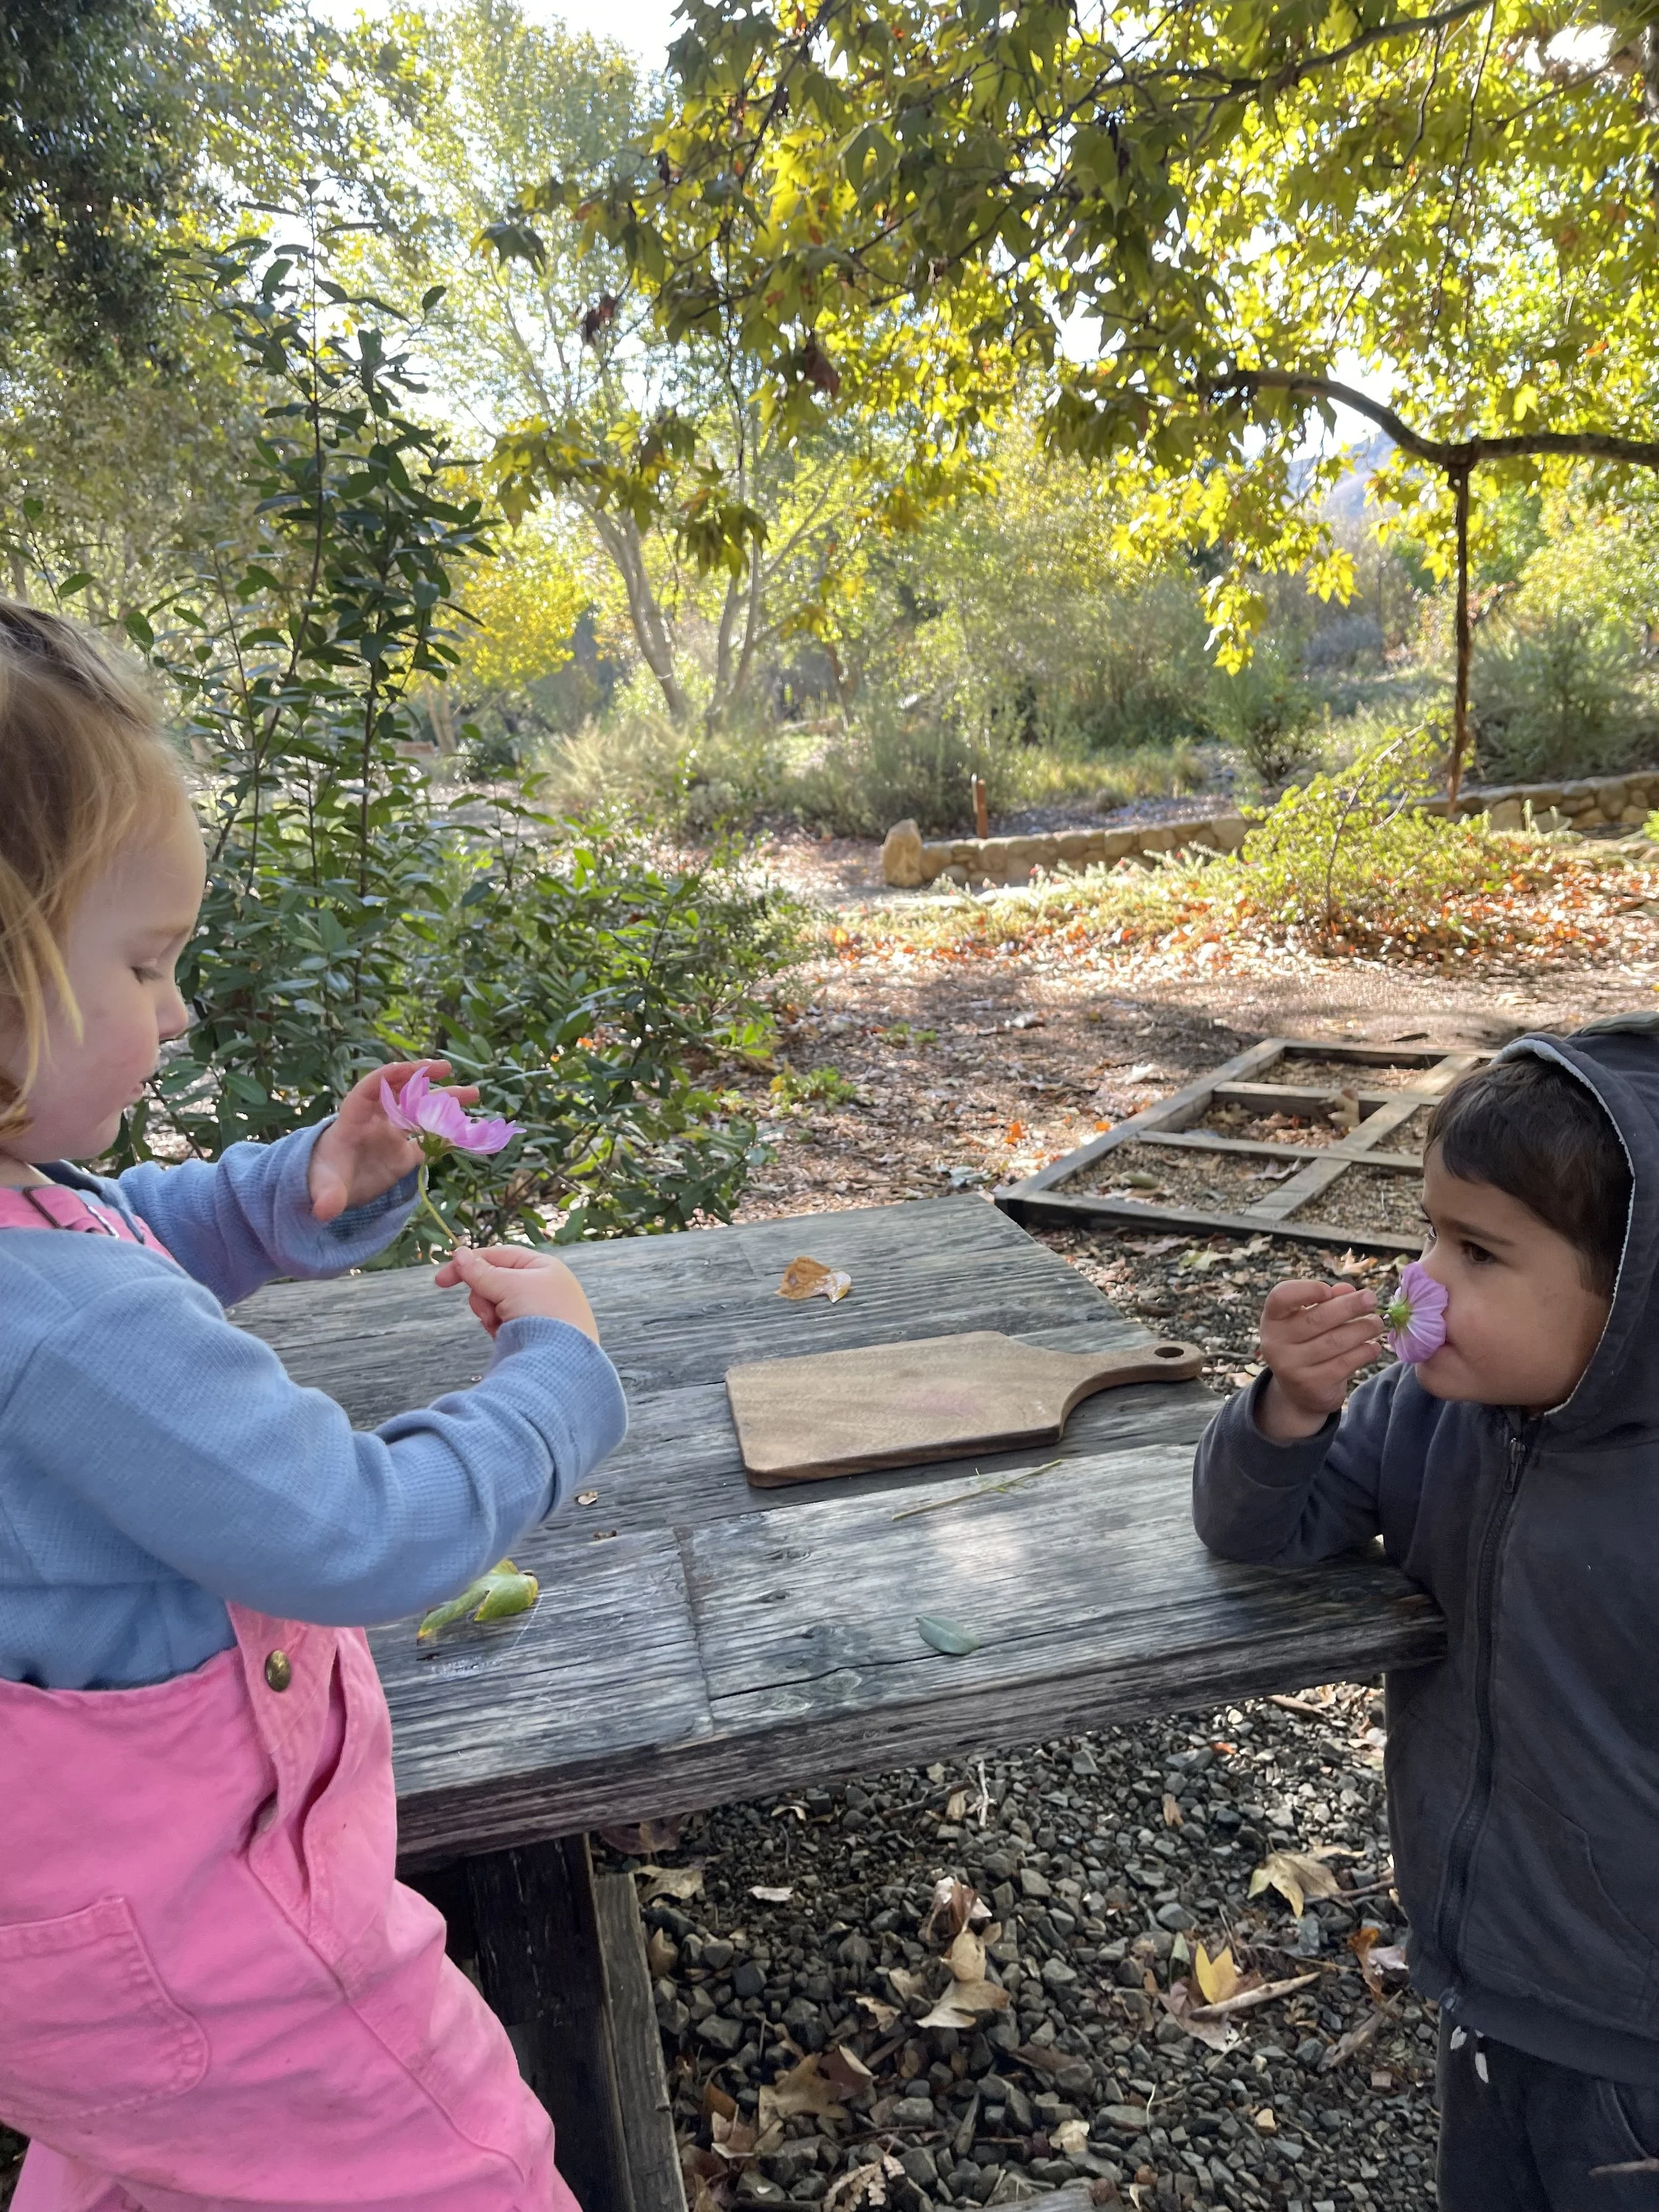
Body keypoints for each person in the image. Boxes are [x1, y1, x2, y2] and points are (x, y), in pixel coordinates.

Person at [0, 599, 627, 2211]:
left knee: (166, 2149)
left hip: (65, 1935)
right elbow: (354, 1531)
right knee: (462, 2163)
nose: (183, 1009)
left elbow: (111, 1220)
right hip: (213, 1951)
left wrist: (292, 1189)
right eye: (145, 962)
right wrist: (556, 1376)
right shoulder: (46, 1324)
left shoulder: (29, 1230)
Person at [1193, 1027, 1659, 2208]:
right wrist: (1287, 1413)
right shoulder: (1427, 1415)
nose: (1420, 1283)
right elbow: (1262, 1531)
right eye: (1429, 1233)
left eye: (1481, 1252)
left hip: (1634, 2037)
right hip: (1483, 1974)